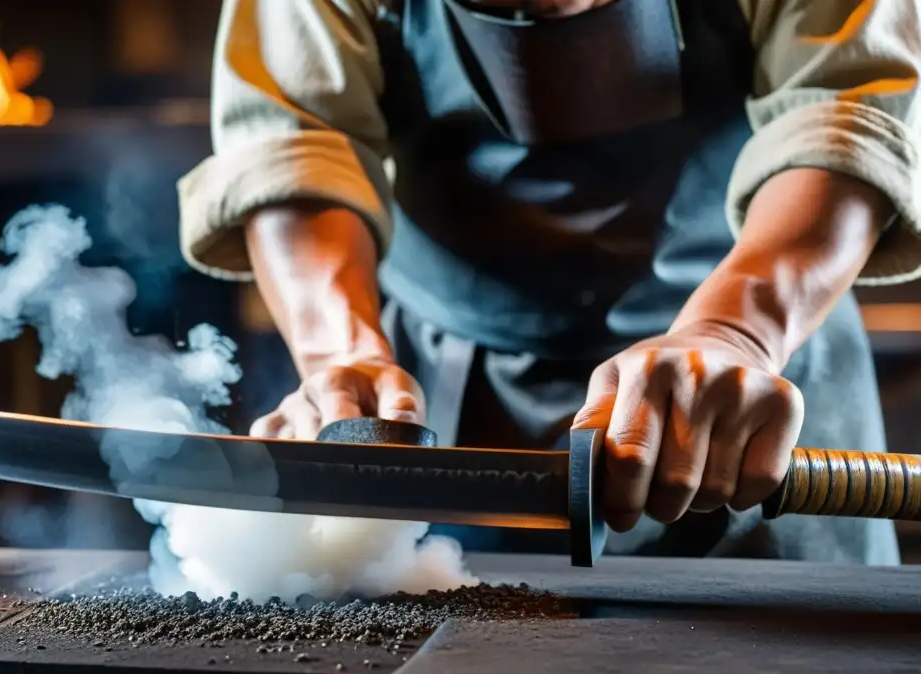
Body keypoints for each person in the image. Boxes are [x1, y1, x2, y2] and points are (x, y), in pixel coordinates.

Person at [177, 0, 920, 564]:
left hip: (758, 377)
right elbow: (297, 142)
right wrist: (341, 360)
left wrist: (733, 333)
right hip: (451, 399)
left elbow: (845, 112)